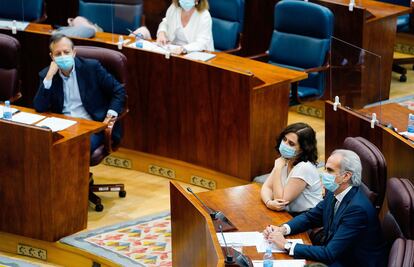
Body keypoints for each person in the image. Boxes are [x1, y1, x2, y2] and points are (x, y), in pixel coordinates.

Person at [263, 149, 387, 267]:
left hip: (351, 263)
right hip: (338, 254)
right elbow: (310, 217)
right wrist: (283, 229)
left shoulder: (357, 209)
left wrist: (286, 245)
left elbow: (329, 253)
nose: (324, 174)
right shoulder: (334, 193)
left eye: (329, 170)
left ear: (346, 176)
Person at [33, 34, 126, 154]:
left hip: (91, 126)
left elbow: (118, 90)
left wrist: (109, 115)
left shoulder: (91, 68)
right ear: (52, 57)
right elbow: (39, 107)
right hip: (64, 126)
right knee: (42, 144)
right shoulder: (47, 75)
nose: (63, 56)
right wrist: (49, 77)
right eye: (58, 54)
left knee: (76, 148)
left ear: (74, 52)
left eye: (66, 52)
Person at [261, 123, 322, 214]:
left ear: (302, 149)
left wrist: (277, 169)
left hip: (306, 217)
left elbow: (280, 202)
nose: (285, 144)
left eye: (291, 143)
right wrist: (268, 202)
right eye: (284, 139)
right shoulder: (285, 159)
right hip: (287, 213)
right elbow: (267, 187)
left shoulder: (304, 168)